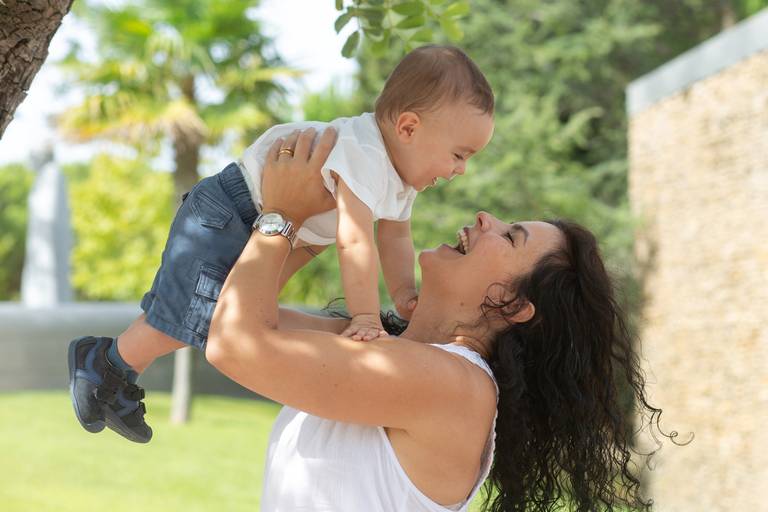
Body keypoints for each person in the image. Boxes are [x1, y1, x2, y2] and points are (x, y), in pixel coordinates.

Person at [203, 130, 674, 511]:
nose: (487, 217)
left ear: (514, 305)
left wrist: (283, 215)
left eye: (511, 237)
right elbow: (216, 314)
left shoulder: (458, 388)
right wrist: (322, 226)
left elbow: (233, 344)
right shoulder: (380, 346)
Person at [67, 45, 495, 443]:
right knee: (191, 315)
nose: (461, 170)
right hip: (232, 211)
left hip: (270, 228)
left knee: (209, 316)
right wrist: (366, 316)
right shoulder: (366, 154)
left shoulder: (400, 179)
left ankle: (115, 372)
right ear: (408, 127)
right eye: (460, 155)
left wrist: (403, 293)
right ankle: (102, 363)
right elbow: (355, 241)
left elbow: (395, 236)